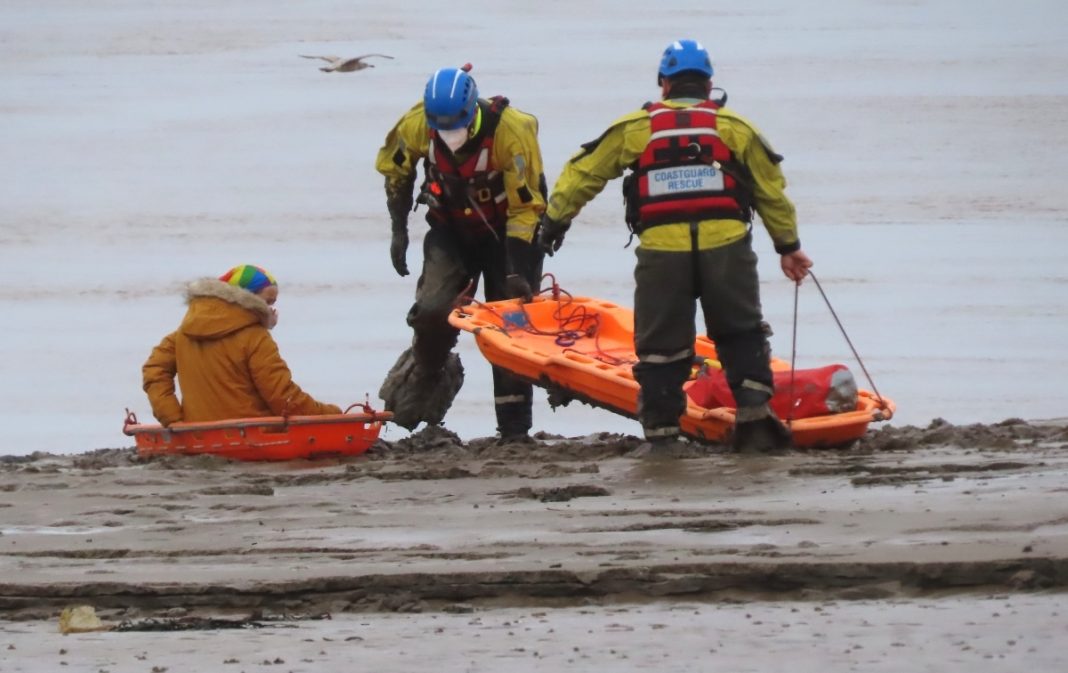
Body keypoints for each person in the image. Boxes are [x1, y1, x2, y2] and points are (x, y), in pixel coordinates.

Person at [537, 39, 813, 453]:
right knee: (740, 332)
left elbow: (583, 172)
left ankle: (663, 437)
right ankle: (755, 416)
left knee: (662, 344)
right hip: (727, 248)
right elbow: (771, 191)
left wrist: (554, 222)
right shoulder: (735, 127)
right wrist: (787, 246)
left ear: (663, 84)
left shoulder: (636, 127)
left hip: (663, 252)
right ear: (709, 84)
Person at [374, 65, 547, 441]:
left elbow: (525, 206)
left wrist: (519, 267)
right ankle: (428, 372)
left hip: (510, 233)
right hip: (450, 230)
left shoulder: (510, 132)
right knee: (431, 310)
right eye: (442, 127)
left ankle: (514, 429)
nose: (449, 134)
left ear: (472, 112)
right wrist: (399, 230)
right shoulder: (418, 124)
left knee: (509, 326)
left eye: (456, 125)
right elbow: (396, 173)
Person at [142, 264, 342, 425]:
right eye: (267, 302)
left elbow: (154, 371)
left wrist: (172, 418)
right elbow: (282, 398)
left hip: (197, 432)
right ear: (247, 300)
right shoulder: (255, 338)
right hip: (254, 432)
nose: (271, 309)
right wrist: (330, 413)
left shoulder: (180, 337)